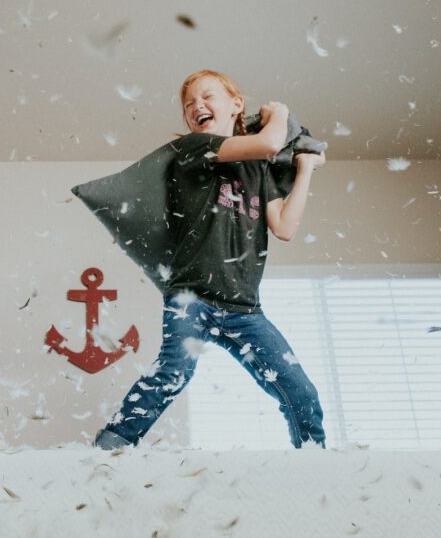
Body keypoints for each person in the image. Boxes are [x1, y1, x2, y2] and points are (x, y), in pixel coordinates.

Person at [93, 70, 327, 450]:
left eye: (207, 97)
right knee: (173, 372)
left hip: (244, 309)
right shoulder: (194, 148)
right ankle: (107, 450)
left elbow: (284, 226)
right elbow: (270, 141)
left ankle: (317, 461)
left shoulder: (259, 169)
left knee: (300, 392)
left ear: (236, 105)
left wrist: (304, 169)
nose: (196, 106)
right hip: (192, 298)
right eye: (189, 104)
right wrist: (280, 113)